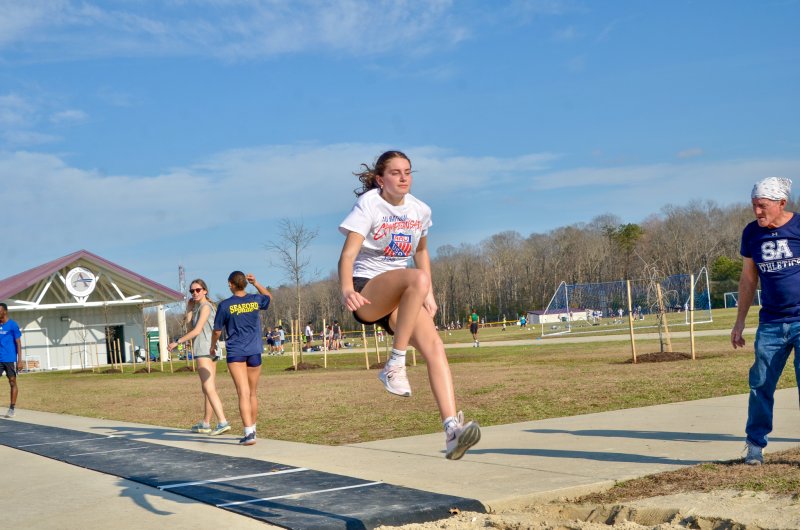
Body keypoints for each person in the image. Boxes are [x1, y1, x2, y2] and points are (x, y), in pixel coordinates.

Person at [337, 150, 480, 460]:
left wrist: (428, 292)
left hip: (407, 292)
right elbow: (348, 255)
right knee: (415, 278)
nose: (403, 178)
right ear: (380, 179)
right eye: (395, 173)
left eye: (408, 172)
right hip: (369, 290)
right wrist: (347, 288)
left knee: (435, 348)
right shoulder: (369, 204)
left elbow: (422, 252)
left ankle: (452, 430)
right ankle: (395, 364)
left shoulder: (420, 210)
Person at [731, 177, 799, 466]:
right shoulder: (751, 234)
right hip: (771, 322)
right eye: (754, 206)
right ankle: (755, 445)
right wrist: (739, 322)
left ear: (781, 203)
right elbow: (748, 278)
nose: (757, 212)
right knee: (760, 384)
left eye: (763, 206)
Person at [210, 271, 272, 446]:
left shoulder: (225, 305)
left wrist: (213, 345)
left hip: (236, 351)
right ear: (245, 283)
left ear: (231, 284)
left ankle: (248, 433)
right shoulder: (254, 299)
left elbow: (217, 330)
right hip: (254, 350)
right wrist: (256, 283)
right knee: (252, 393)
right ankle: (252, 430)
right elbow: (268, 296)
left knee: (242, 392)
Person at [168, 280, 230, 437]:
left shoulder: (206, 307)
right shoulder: (197, 308)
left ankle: (222, 421)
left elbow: (196, 332)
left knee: (209, 388)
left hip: (205, 350)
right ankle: (206, 423)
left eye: (198, 290)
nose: (194, 293)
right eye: (192, 291)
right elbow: (190, 328)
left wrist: (177, 342)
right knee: (207, 388)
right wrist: (189, 309)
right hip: (208, 349)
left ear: (205, 291)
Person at [0, 303, 22, 418]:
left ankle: (12, 408)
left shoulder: (13, 325)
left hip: (9, 359)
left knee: (12, 382)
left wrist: (19, 360)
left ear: (5, 312)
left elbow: (18, 343)